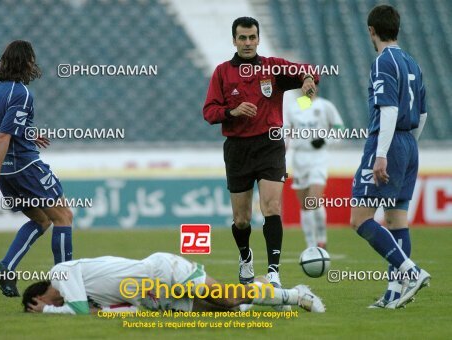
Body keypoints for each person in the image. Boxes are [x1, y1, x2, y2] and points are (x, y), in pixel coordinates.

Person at [203, 17, 319, 288]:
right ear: (234, 40)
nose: (247, 42)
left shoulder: (273, 67)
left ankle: (273, 272)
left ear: (258, 38)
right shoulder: (222, 72)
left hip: (270, 145)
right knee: (241, 220)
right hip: (237, 149)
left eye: (252, 37)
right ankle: (245, 256)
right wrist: (232, 111)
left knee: (272, 207)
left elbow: (309, 70)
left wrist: (308, 80)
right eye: (242, 38)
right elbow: (209, 112)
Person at [0, 40, 74, 298]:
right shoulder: (21, 93)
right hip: (26, 167)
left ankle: (6, 267)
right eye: (31, 60)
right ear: (26, 62)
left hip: (6, 172)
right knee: (63, 217)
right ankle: (64, 285)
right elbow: (3, 135)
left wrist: (26, 132)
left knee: (41, 219)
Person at [350, 5, 430, 309]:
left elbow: (389, 109)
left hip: (388, 141)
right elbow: (422, 113)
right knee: (397, 219)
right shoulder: (412, 61)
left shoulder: (383, 61)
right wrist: (408, 147)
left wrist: (383, 154)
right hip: (409, 142)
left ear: (372, 31)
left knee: (360, 219)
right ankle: (394, 294)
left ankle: (412, 271)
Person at [22, 252, 325, 314]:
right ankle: (265, 287)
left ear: (39, 297)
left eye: (40, 305)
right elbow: (105, 311)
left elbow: (76, 310)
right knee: (228, 308)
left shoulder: (61, 273)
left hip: (162, 271)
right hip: (153, 298)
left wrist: (47, 312)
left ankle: (296, 294)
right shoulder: (85, 295)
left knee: (228, 299)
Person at [285, 92, 344, 249]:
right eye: (304, 82)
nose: (308, 86)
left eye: (311, 82)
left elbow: (340, 128)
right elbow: (285, 131)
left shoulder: (325, 106)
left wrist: (326, 140)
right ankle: (311, 245)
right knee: (306, 205)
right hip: (299, 159)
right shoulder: (293, 108)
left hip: (318, 158)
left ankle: (321, 240)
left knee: (313, 201)